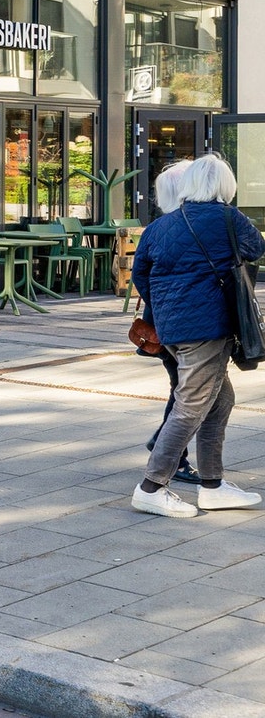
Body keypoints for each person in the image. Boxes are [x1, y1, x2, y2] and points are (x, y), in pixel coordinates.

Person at [131, 153, 265, 518]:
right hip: (207, 329)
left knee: (219, 402)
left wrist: (171, 306)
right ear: (226, 185)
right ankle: (151, 487)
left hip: (172, 329)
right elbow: (256, 249)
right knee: (190, 406)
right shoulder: (227, 217)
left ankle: (213, 485)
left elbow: (140, 275)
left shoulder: (160, 226)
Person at [141, 160, 200, 486]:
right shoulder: (184, 230)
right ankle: (172, 455)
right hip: (181, 327)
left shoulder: (157, 229)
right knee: (187, 394)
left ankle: (166, 445)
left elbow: (141, 277)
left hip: (163, 324)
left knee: (182, 389)